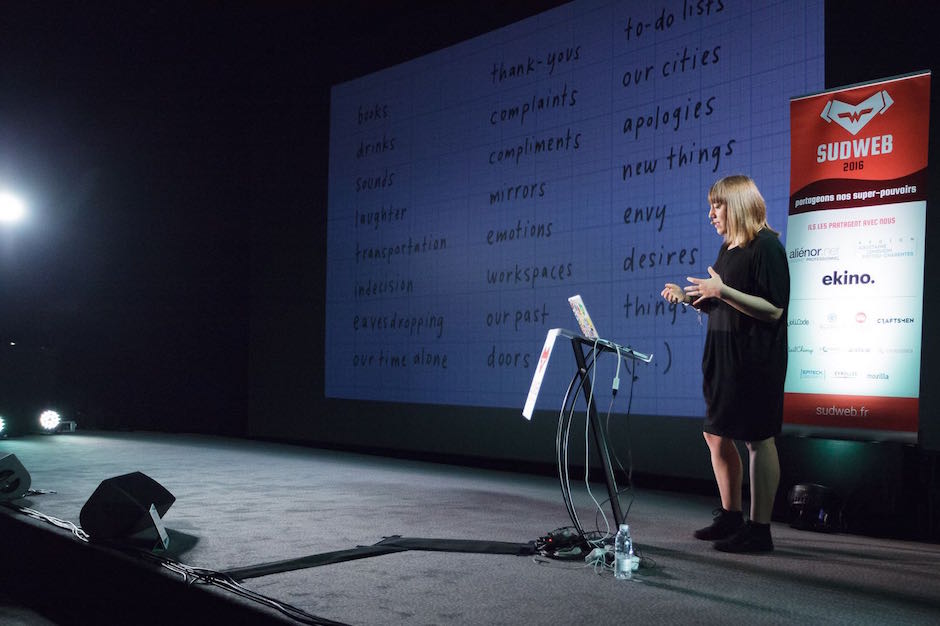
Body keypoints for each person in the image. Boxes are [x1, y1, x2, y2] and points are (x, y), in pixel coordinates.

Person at [661, 175, 789, 553]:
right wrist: (689, 297)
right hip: (722, 355)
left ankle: (759, 529)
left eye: (716, 205)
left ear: (736, 204)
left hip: (754, 358)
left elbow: (773, 308)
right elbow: (721, 300)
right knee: (715, 433)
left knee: (756, 438)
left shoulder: (766, 246)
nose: (711, 214)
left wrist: (722, 290)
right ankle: (731, 516)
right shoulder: (729, 249)